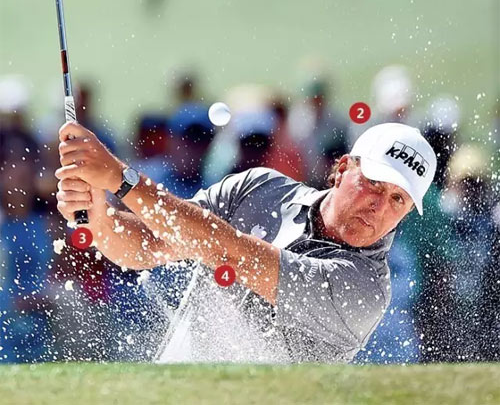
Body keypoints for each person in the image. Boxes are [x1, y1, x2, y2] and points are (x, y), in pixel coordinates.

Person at [55, 121, 437, 363]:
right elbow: (150, 242)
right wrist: (98, 215)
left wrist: (120, 178)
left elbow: (230, 253)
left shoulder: (366, 288)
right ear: (341, 169)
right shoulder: (259, 188)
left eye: (398, 199)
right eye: (373, 183)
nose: (378, 206)